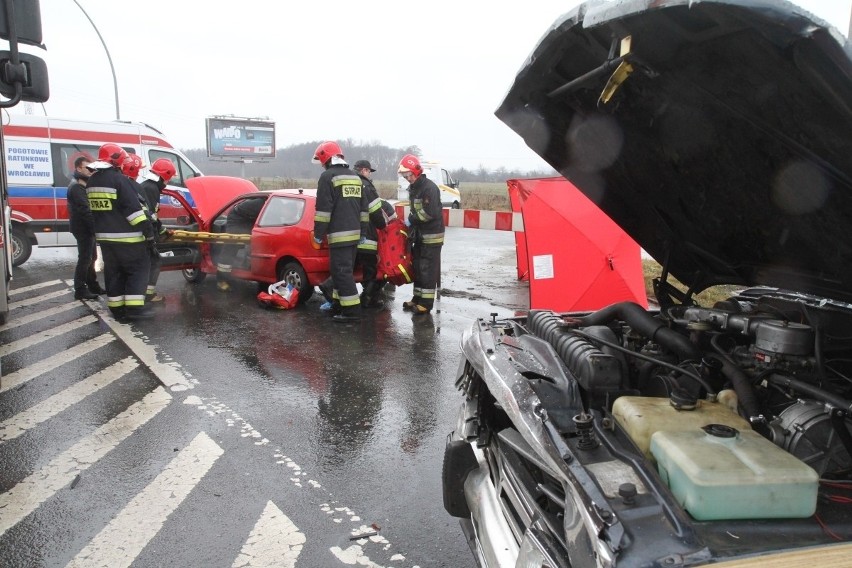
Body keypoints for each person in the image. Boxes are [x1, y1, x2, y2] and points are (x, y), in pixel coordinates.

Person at [87, 143, 156, 321]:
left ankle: (117, 309)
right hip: (129, 239)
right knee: (138, 270)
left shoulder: (92, 181)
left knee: (114, 273)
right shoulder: (120, 181)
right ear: (118, 160)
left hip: (106, 240)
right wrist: (148, 233)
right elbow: (134, 212)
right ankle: (134, 309)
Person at [312, 141, 367, 323]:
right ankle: (338, 305)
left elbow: (323, 212)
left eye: (321, 161)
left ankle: (351, 311)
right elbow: (363, 209)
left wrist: (318, 235)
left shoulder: (327, 177)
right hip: (355, 235)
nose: (321, 165)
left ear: (326, 159)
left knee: (341, 273)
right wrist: (363, 233)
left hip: (339, 235)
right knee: (340, 272)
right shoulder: (355, 177)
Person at [398, 154, 444, 315]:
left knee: (427, 270)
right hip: (420, 235)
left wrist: (411, 220)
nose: (407, 178)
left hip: (431, 236)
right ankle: (417, 298)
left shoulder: (429, 188)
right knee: (417, 267)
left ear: (417, 172)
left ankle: (426, 303)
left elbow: (429, 213)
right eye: (405, 176)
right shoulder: (416, 187)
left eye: (409, 175)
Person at [352, 159, 392, 308]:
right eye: (369, 171)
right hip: (367, 234)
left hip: (350, 233)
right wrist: (382, 226)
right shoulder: (367, 186)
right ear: (364, 170)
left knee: (348, 267)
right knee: (371, 268)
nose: (369, 174)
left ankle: (330, 289)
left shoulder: (349, 183)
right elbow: (375, 210)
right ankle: (368, 299)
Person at [138, 158, 177, 302]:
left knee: (151, 262)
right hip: (145, 233)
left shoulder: (149, 186)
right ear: (164, 175)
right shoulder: (151, 188)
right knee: (154, 262)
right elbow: (150, 215)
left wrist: (161, 230)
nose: (168, 182)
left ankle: (144, 293)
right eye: (169, 178)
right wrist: (159, 231)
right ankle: (147, 294)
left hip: (144, 232)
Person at [67, 155, 104, 300]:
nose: (90, 171)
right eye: (87, 168)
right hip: (82, 228)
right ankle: (80, 289)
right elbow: (85, 211)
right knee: (85, 258)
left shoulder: (81, 184)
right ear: (78, 168)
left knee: (92, 257)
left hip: (86, 228)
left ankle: (93, 286)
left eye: (91, 168)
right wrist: (95, 228)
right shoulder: (77, 187)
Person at [215, 197, 265, 292]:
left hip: (248, 219)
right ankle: (222, 280)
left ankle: (256, 273)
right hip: (236, 220)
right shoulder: (261, 205)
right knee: (231, 247)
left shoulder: (269, 204)